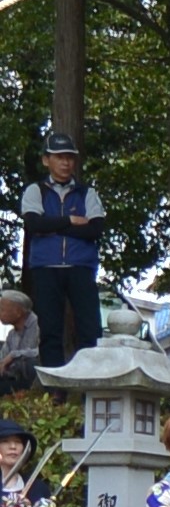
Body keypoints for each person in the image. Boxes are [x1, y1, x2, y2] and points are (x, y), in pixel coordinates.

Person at [20, 134, 103, 368]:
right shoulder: (36, 191)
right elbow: (34, 225)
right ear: (47, 160)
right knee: (50, 330)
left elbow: (95, 230)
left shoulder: (87, 193)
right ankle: (55, 389)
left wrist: (53, 226)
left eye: (69, 158)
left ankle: (89, 383)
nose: (65, 163)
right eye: (59, 157)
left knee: (89, 329)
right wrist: (70, 220)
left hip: (81, 267)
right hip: (45, 267)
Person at [0, 289, 36, 391]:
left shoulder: (38, 326)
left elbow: (40, 353)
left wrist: (14, 355)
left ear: (18, 312)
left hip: (34, 380)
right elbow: (2, 359)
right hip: (14, 378)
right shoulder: (12, 334)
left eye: (2, 310)